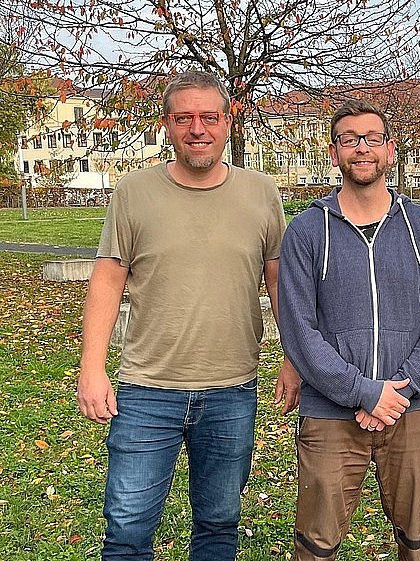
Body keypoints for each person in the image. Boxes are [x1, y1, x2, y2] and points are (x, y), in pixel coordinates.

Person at [76, 70, 301, 561]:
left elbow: (278, 279)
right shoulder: (133, 192)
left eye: (209, 117)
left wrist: (293, 356)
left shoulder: (262, 192)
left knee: (219, 525)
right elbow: (109, 278)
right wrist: (91, 369)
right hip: (145, 390)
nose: (197, 128)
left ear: (228, 122)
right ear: (167, 124)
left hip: (231, 390)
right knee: (128, 531)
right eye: (184, 118)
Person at [278, 98, 420, 561]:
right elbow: (299, 329)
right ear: (334, 151)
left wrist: (397, 392)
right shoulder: (306, 231)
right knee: (316, 545)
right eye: (350, 139)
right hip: (330, 414)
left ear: (390, 149)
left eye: (372, 139)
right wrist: (362, 392)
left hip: (408, 410)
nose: (362, 148)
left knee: (419, 541)